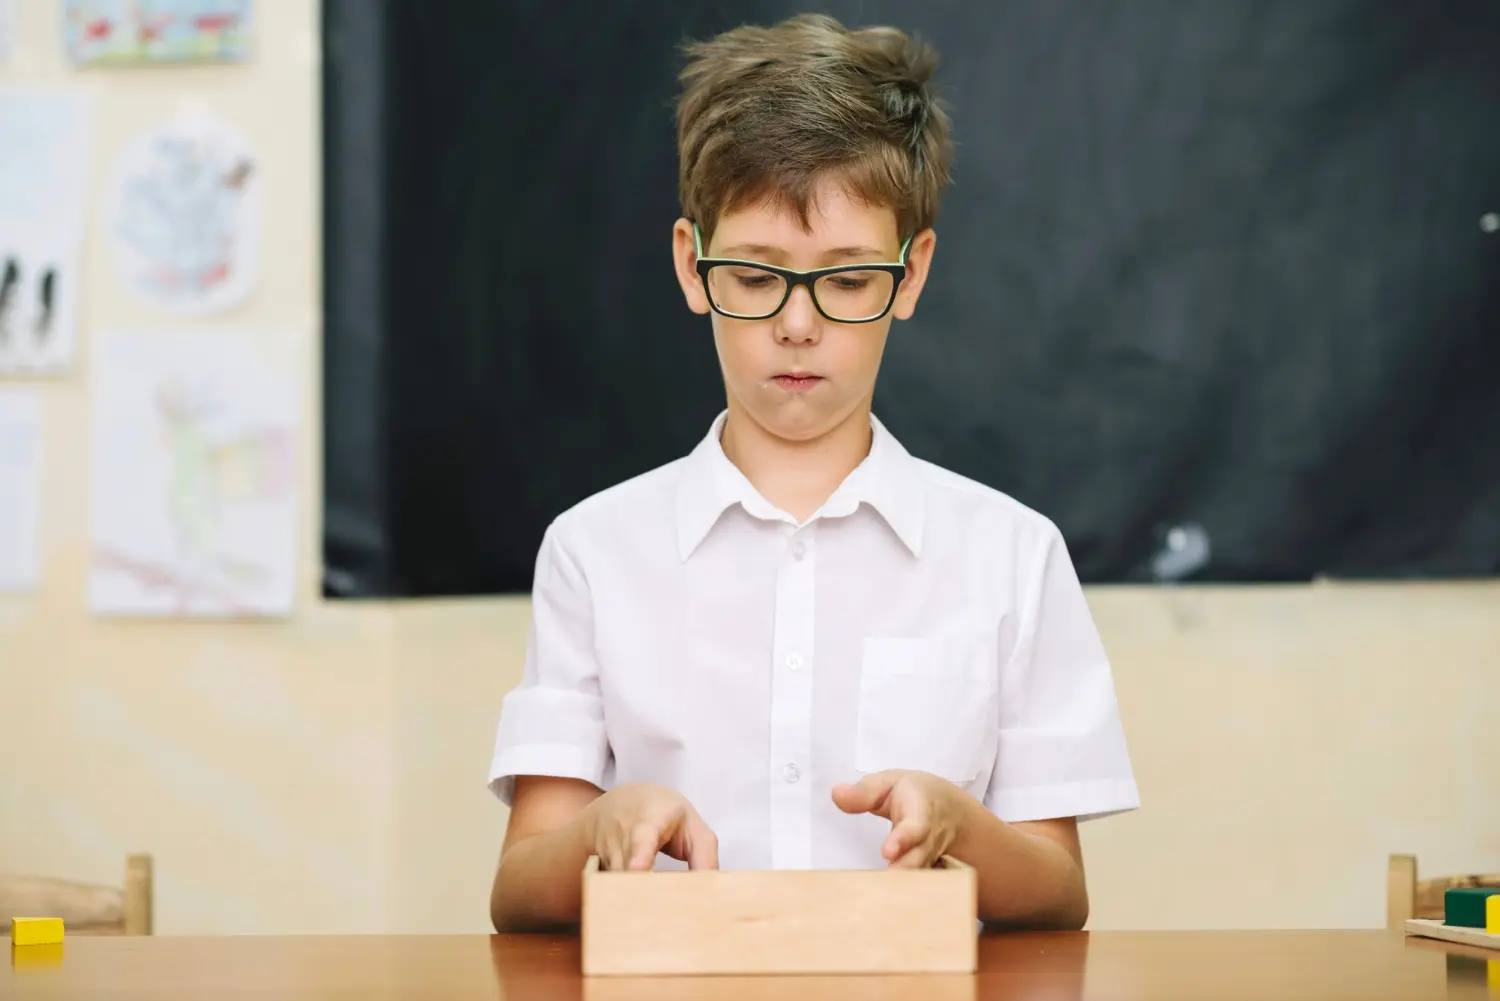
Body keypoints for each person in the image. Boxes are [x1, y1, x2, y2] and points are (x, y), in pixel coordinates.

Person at [486, 12, 1138, 934]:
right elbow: (517, 891)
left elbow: (1058, 893)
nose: (797, 325)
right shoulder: (595, 549)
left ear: (910, 277)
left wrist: (965, 832)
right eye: (755, 278)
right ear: (690, 264)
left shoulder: (1012, 553)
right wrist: (600, 827)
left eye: (846, 279)